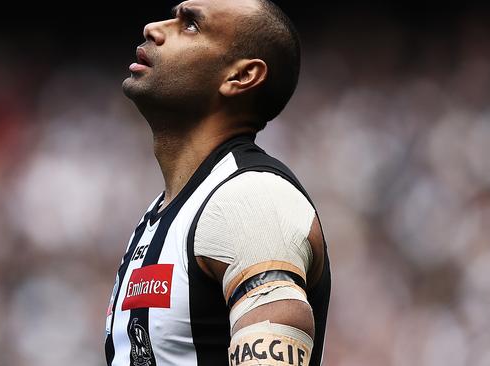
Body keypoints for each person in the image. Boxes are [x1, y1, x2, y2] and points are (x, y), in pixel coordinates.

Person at [104, 0, 330, 365]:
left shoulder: (252, 198)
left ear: (241, 76)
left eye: (190, 25)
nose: (153, 28)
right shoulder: (160, 214)